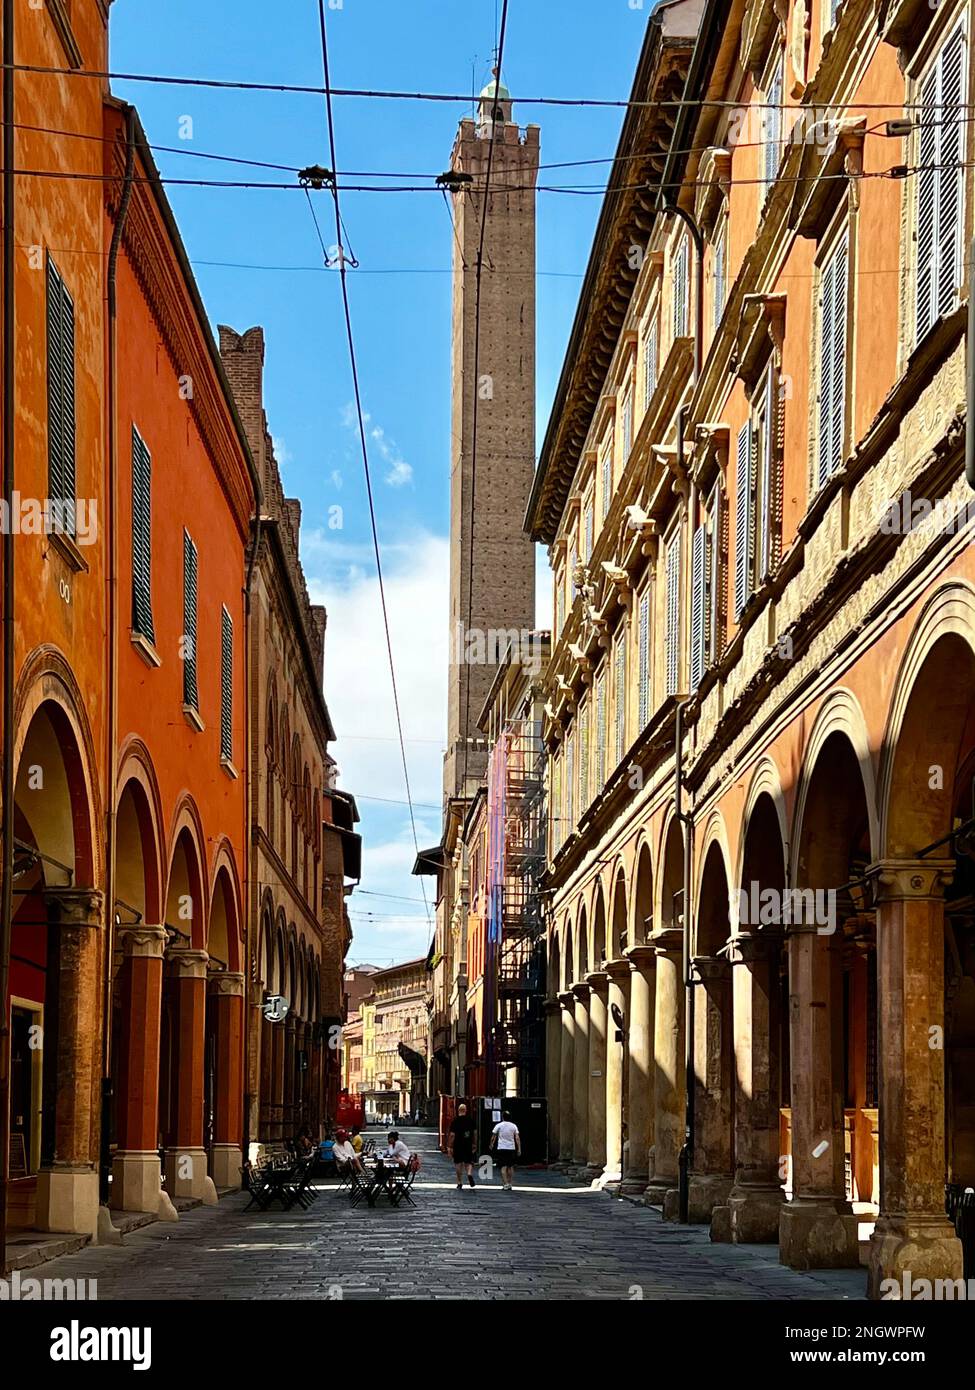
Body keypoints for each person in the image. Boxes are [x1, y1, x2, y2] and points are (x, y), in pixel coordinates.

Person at [490, 1111, 521, 1191]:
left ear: (502, 1117)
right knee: (510, 1166)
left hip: (502, 1148)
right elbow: (517, 1138)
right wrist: (519, 1148)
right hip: (511, 1148)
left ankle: (505, 1184)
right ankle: (510, 1183)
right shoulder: (514, 1126)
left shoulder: (499, 1125)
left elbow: (494, 1136)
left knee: (503, 1167)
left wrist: (491, 1144)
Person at [448, 1102, 476, 1190]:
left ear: (458, 1110)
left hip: (458, 1145)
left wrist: (450, 1146)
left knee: (458, 1163)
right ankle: (469, 1173)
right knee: (469, 1162)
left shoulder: (455, 1121)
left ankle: (459, 1182)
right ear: (466, 1110)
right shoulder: (471, 1120)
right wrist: (474, 1143)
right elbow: (475, 1133)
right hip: (468, 1144)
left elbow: (452, 1135)